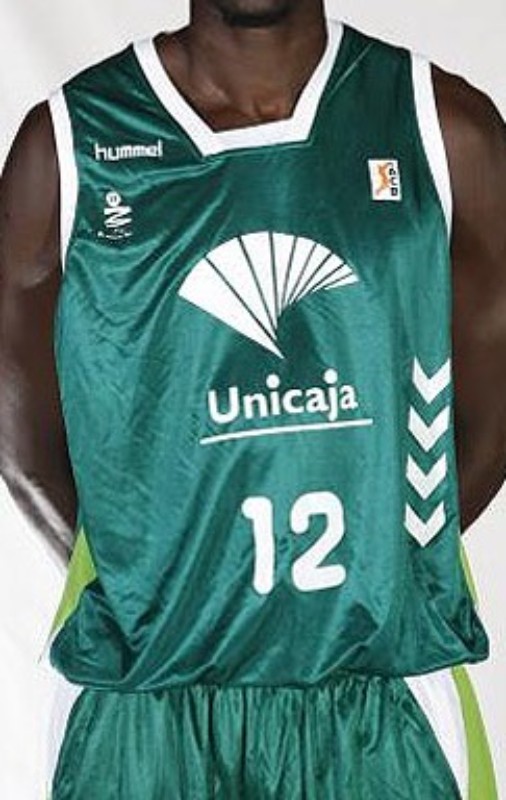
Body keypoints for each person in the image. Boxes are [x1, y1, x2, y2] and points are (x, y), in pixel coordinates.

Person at [0, 0, 505, 797]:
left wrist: (381, 552)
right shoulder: (67, 142)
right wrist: (151, 571)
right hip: (146, 706)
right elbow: (17, 417)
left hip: (376, 696)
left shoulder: (443, 125)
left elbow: (492, 406)